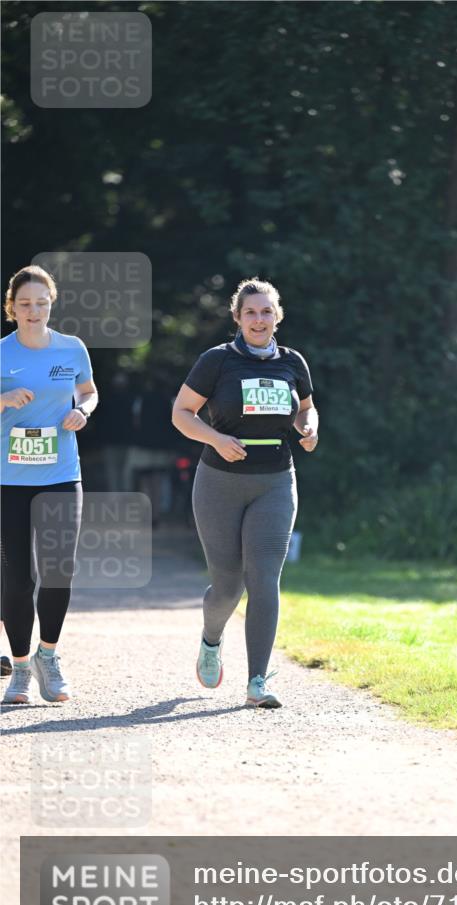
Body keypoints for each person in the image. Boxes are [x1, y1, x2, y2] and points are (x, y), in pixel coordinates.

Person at [172, 277, 318, 708]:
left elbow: (306, 408)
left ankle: (257, 681)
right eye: (250, 312)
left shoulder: (292, 362)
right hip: (219, 483)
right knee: (227, 586)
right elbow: (182, 413)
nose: (259, 319)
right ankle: (211, 639)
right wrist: (216, 439)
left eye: (266, 311)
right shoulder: (217, 361)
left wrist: (308, 429)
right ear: (237, 317)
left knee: (264, 578)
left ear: (277, 317)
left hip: (275, 481)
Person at [0, 265, 98, 704]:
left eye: (41, 302)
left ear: (51, 304)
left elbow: (89, 391)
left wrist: (83, 410)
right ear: (12, 307)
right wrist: (3, 399)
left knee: (60, 570)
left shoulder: (71, 348)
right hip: (8, 479)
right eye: (25, 303)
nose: (34, 310)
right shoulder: (2, 352)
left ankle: (49, 656)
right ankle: (21, 668)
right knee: (17, 578)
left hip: (61, 474)